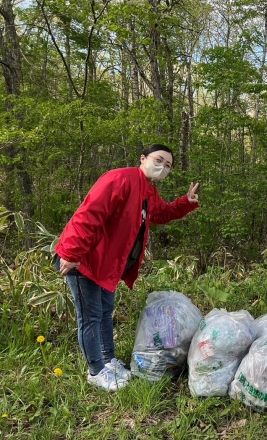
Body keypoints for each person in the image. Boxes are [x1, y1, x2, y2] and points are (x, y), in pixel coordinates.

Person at [55, 144, 200, 391]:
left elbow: (162, 213)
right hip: (85, 260)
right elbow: (89, 215)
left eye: (168, 165)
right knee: (90, 317)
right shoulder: (120, 179)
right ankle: (96, 370)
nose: (163, 167)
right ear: (143, 158)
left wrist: (185, 202)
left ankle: (108, 360)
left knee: (104, 312)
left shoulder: (147, 191)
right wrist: (71, 252)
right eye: (159, 160)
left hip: (109, 265)